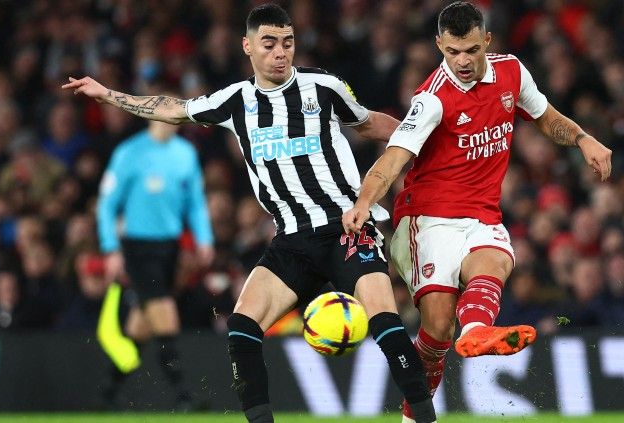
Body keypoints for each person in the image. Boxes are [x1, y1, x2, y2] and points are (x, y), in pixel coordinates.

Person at [63, 4, 438, 423]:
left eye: (288, 43)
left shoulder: (324, 87)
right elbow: (172, 108)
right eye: (270, 43)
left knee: (384, 320)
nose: (281, 52)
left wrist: (426, 134)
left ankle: (424, 418)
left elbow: (369, 124)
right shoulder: (235, 101)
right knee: (242, 326)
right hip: (292, 240)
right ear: (248, 46)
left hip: (347, 228)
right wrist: (106, 94)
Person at [341, 2, 612, 422]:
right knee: (435, 333)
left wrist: (583, 139)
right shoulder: (431, 99)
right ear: (439, 46)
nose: (462, 61)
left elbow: (545, 116)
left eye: (470, 50)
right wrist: (363, 201)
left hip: (482, 215)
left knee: (497, 259)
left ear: (487, 40)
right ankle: (416, 410)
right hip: (426, 220)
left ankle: (477, 333)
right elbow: (393, 157)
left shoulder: (512, 73)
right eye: (452, 52)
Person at [95, 117, 215, 409]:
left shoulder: (185, 153)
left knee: (141, 324)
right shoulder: (130, 152)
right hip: (138, 247)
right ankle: (184, 395)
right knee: (164, 311)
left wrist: (204, 239)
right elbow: (107, 204)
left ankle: (109, 392)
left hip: (169, 248)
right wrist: (111, 248)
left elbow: (195, 202)